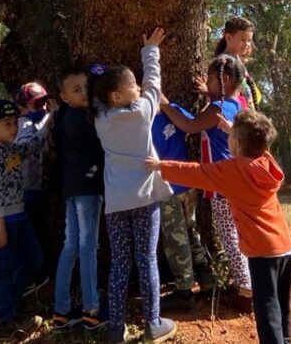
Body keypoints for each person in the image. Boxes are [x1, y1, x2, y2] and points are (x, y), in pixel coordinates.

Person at [146, 111, 291, 344]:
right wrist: (233, 130)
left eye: (230, 137)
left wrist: (160, 166)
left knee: (267, 310)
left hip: (262, 251)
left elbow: (195, 172)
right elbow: (256, 143)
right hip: (284, 247)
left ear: (237, 143)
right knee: (282, 304)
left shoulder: (232, 170)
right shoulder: (266, 162)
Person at [93, 28, 177, 344]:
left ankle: (115, 328)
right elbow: (154, 84)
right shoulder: (142, 113)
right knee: (147, 260)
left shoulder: (100, 120)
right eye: (132, 85)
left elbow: (100, 97)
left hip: (115, 203)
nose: (138, 87)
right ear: (117, 96)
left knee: (119, 263)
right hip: (144, 200)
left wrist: (99, 78)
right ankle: (153, 323)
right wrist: (150, 50)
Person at [163, 53, 252, 299]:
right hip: (235, 177)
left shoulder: (217, 108)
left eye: (211, 79)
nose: (208, 82)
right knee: (236, 233)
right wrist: (207, 93)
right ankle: (245, 281)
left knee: (228, 234)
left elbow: (190, 125)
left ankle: (245, 288)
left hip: (221, 180)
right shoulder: (236, 104)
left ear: (225, 79)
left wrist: (165, 104)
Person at [0, 97, 51, 338]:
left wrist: (50, 119)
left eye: (14, 123)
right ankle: (5, 317)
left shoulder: (11, 148)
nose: (13, 128)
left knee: (34, 258)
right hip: (1, 219)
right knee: (5, 267)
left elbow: (31, 146)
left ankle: (11, 300)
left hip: (18, 214)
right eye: (7, 124)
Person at [50, 66, 106, 331]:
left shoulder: (63, 117)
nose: (84, 93)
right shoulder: (83, 120)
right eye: (76, 90)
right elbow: (101, 142)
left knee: (70, 245)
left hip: (71, 189)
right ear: (64, 96)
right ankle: (91, 309)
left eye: (86, 87)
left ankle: (61, 310)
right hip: (87, 189)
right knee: (87, 246)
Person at [152, 99, 213, 310]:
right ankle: (205, 274)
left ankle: (185, 291)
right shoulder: (171, 110)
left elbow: (193, 124)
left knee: (176, 238)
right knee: (190, 230)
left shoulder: (146, 117)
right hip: (186, 181)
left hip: (169, 188)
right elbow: (192, 123)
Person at [15, 81, 55, 290]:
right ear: (23, 108)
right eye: (36, 104)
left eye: (43, 103)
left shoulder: (44, 119)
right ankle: (32, 279)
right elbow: (25, 149)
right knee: (34, 237)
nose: (42, 107)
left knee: (44, 233)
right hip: (27, 189)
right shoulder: (23, 124)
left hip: (42, 187)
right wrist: (46, 126)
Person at [213, 16, 261, 110]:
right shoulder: (224, 62)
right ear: (228, 38)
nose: (247, 44)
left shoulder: (238, 62)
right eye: (243, 40)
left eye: (249, 40)